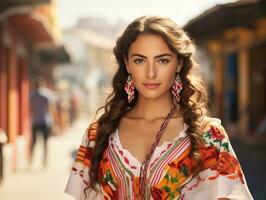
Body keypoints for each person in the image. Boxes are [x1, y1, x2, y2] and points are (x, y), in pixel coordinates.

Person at [65, 16, 254, 200]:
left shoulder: (209, 135)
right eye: (140, 60)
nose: (151, 73)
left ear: (179, 63)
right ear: (127, 64)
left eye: (162, 60)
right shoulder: (99, 133)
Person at [29, 78, 55, 168]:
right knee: (45, 142)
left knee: (34, 142)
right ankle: (44, 160)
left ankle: (31, 159)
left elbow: (30, 109)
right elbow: (50, 108)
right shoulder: (46, 95)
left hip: (35, 121)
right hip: (45, 121)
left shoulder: (31, 96)